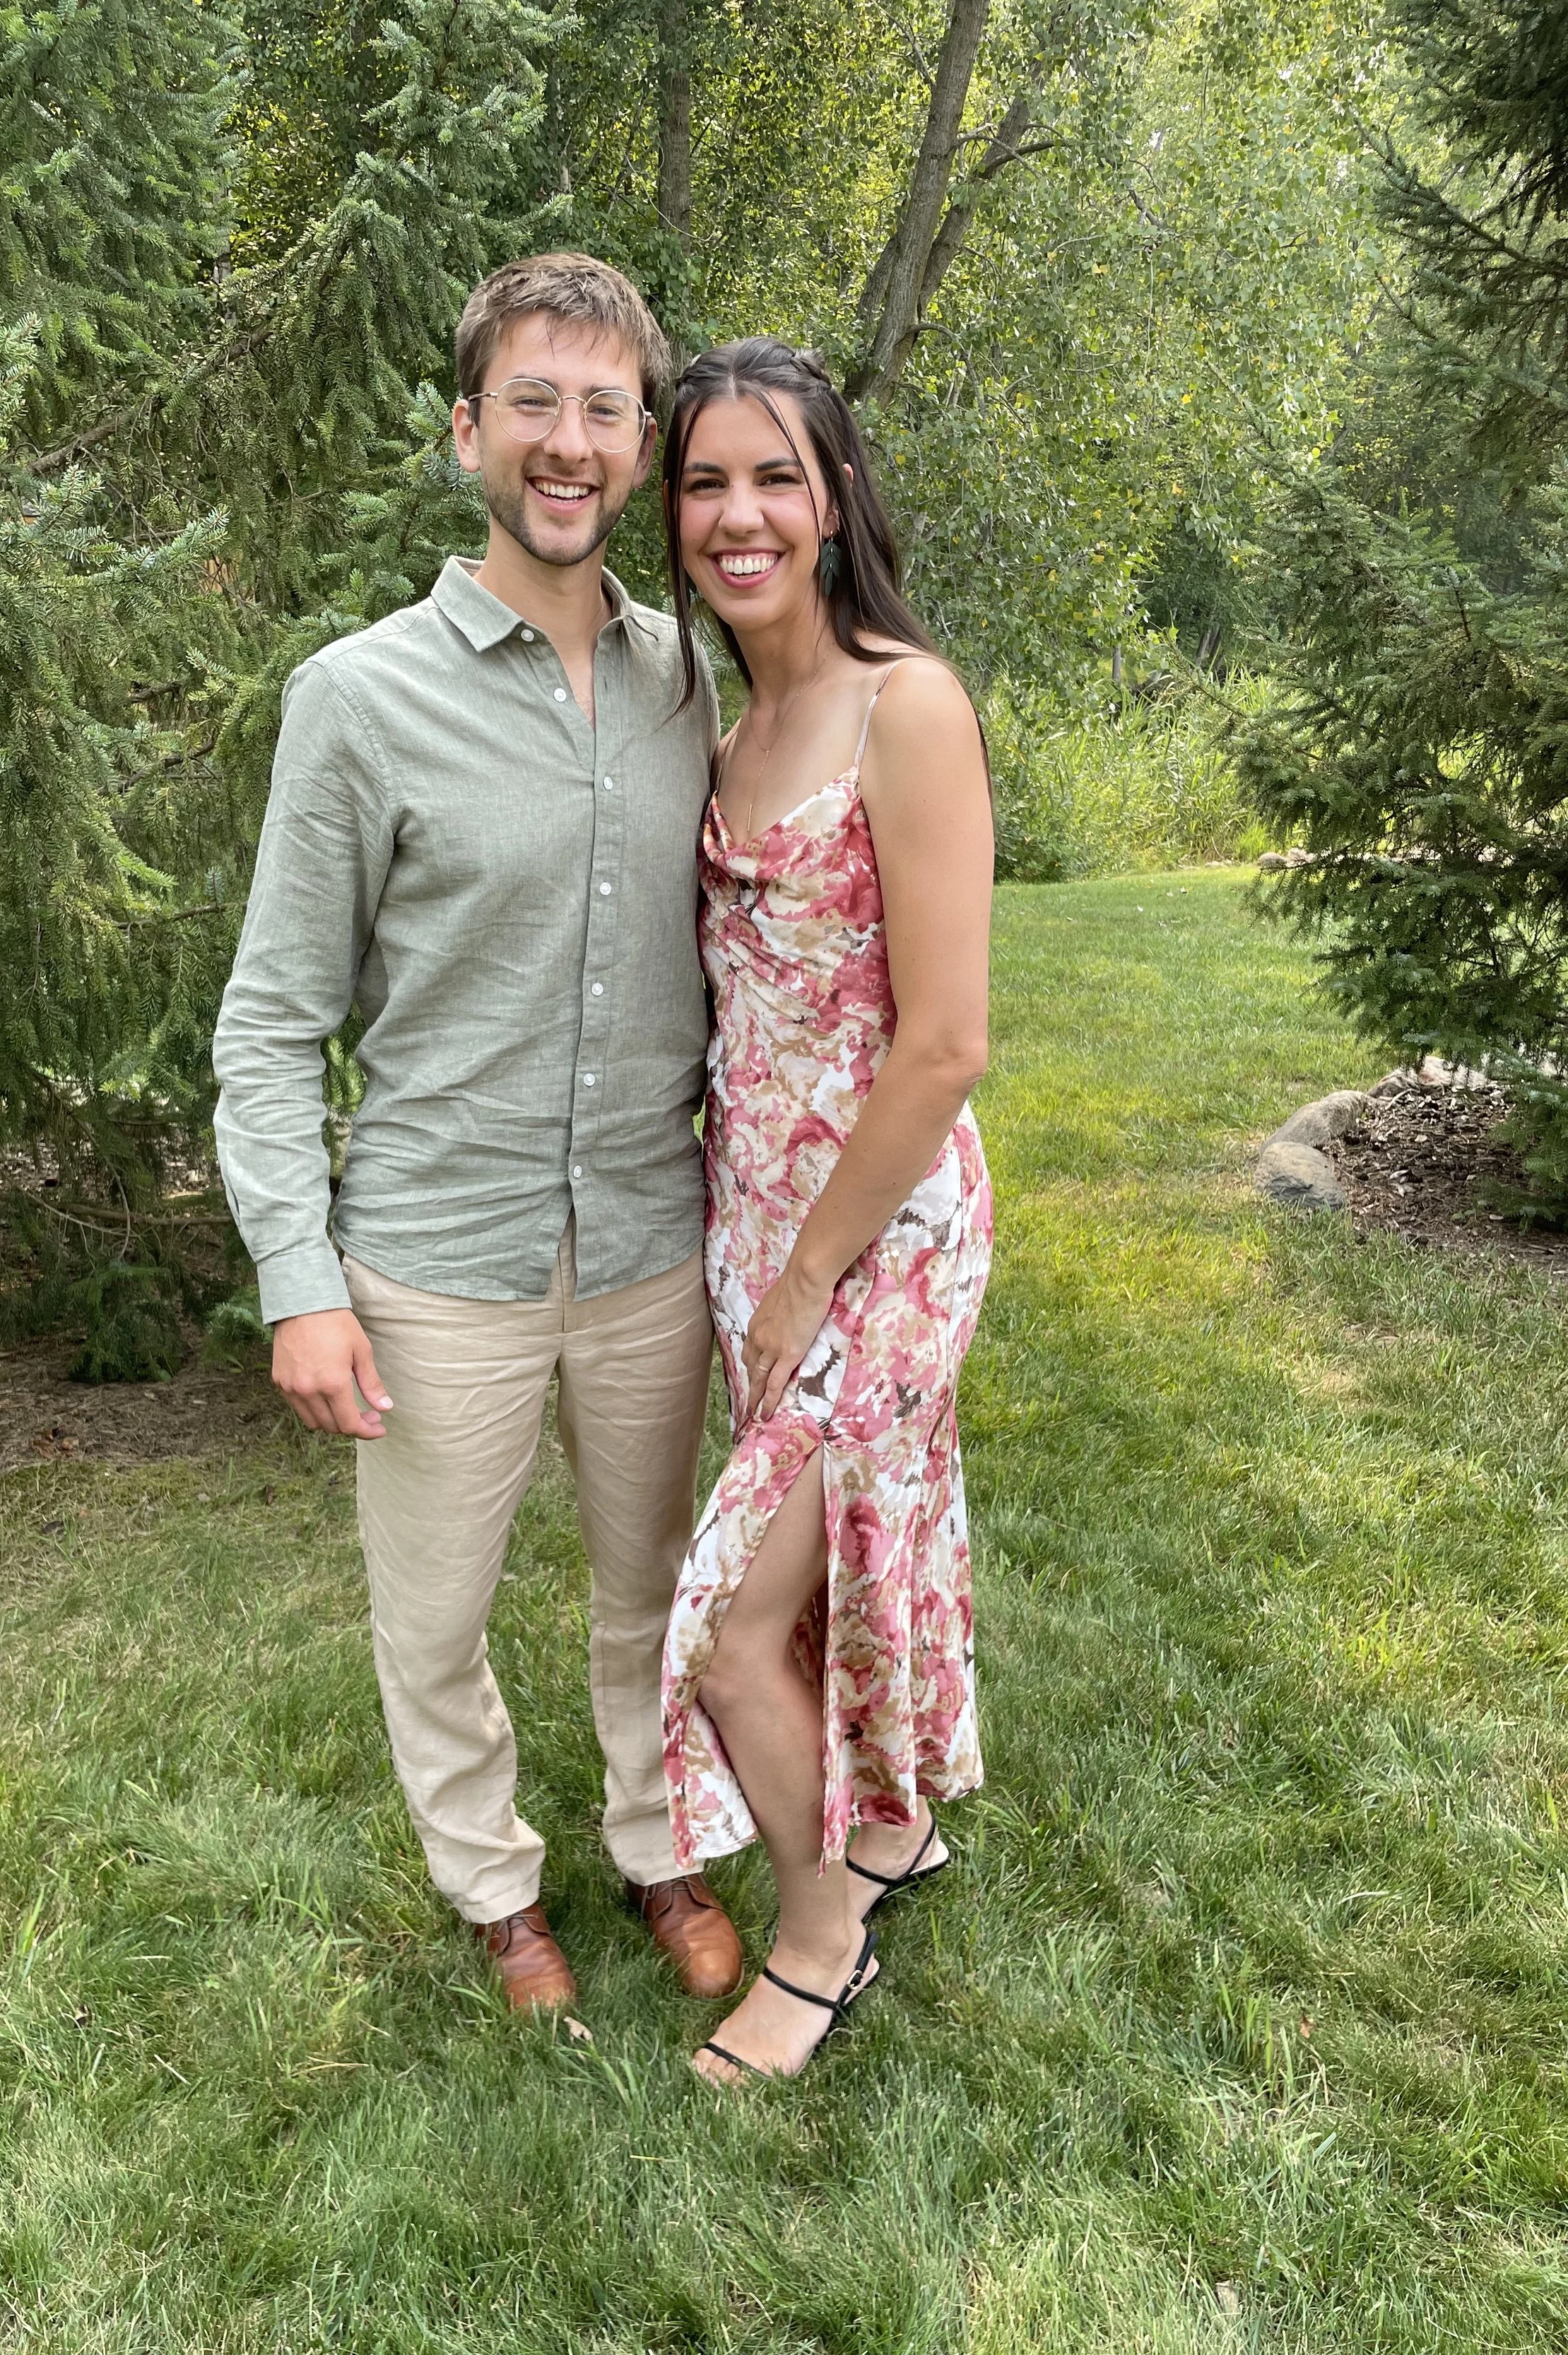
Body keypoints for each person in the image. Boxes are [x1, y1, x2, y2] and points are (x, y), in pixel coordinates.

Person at [212, 254, 743, 2016]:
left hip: (651, 1241)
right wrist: (299, 1276)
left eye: (603, 409)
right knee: (432, 1616)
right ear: (467, 433)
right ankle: (493, 1887)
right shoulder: (356, 701)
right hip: (436, 1252)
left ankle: (660, 1845)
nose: (568, 443)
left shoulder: (692, 690)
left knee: (648, 1588)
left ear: (641, 443)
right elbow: (273, 1019)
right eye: (533, 402)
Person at [656, 338, 994, 2082]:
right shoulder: (729, 732)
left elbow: (941, 1041)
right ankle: (895, 1822)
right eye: (704, 480)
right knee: (838, 1564)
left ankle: (816, 1936)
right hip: (755, 1227)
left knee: (722, 1622)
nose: (738, 513)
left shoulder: (900, 702)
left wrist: (806, 1271)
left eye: (773, 475)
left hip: (884, 1235)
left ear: (836, 494)